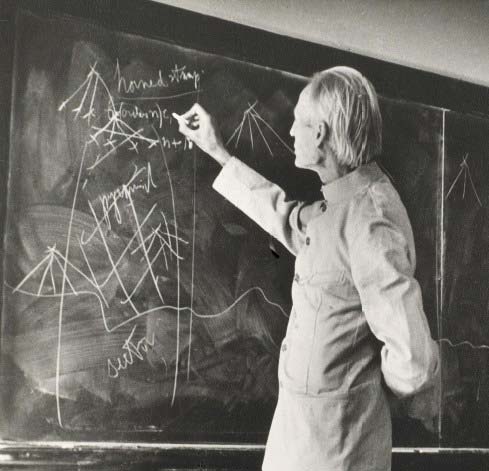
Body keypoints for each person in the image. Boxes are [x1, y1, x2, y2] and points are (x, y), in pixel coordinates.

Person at [176, 66, 440, 471]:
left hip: (337, 449)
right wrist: (217, 152)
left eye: (298, 121)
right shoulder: (339, 206)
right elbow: (283, 216)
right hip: (302, 439)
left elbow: (413, 361)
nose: (290, 131)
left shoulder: (370, 220)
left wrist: (364, 395)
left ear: (320, 134)